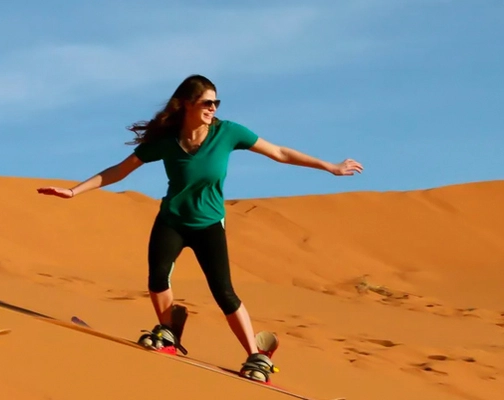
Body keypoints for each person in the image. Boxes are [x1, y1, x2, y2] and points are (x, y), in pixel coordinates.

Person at [36, 74, 363, 381]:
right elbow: (119, 171)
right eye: (207, 103)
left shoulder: (228, 133)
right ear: (187, 104)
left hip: (208, 224)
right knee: (157, 279)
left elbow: (278, 152)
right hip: (173, 220)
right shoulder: (166, 142)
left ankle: (256, 355)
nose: (213, 109)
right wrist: (74, 191)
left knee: (223, 292)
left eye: (216, 104)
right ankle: (169, 331)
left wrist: (330, 167)